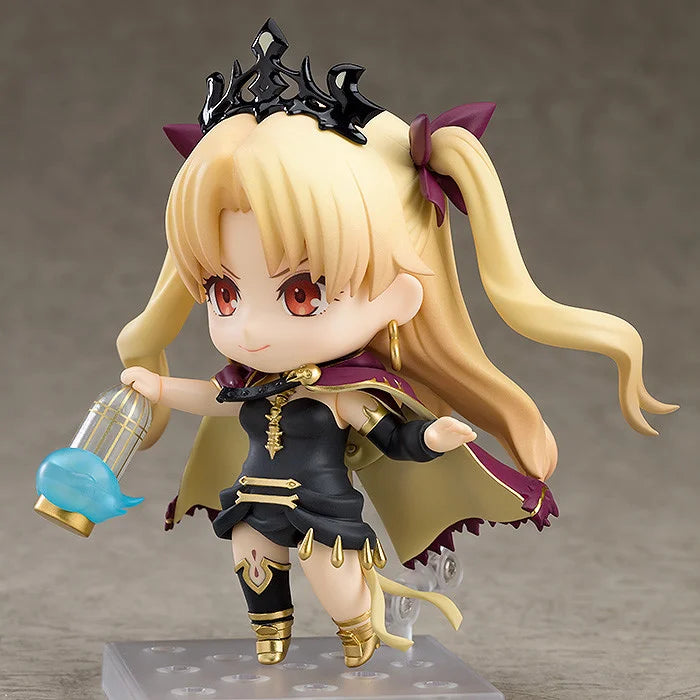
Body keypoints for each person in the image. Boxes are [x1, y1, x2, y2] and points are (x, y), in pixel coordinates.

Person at [116, 19, 676, 667]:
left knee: (339, 590)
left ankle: (359, 642)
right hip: (252, 500)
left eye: (300, 294)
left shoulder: (347, 392)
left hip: (321, 510)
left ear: (398, 297)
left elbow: (392, 438)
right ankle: (271, 645)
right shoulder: (247, 382)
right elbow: (212, 399)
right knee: (254, 573)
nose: (249, 329)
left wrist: (432, 436)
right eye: (223, 292)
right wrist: (157, 387)